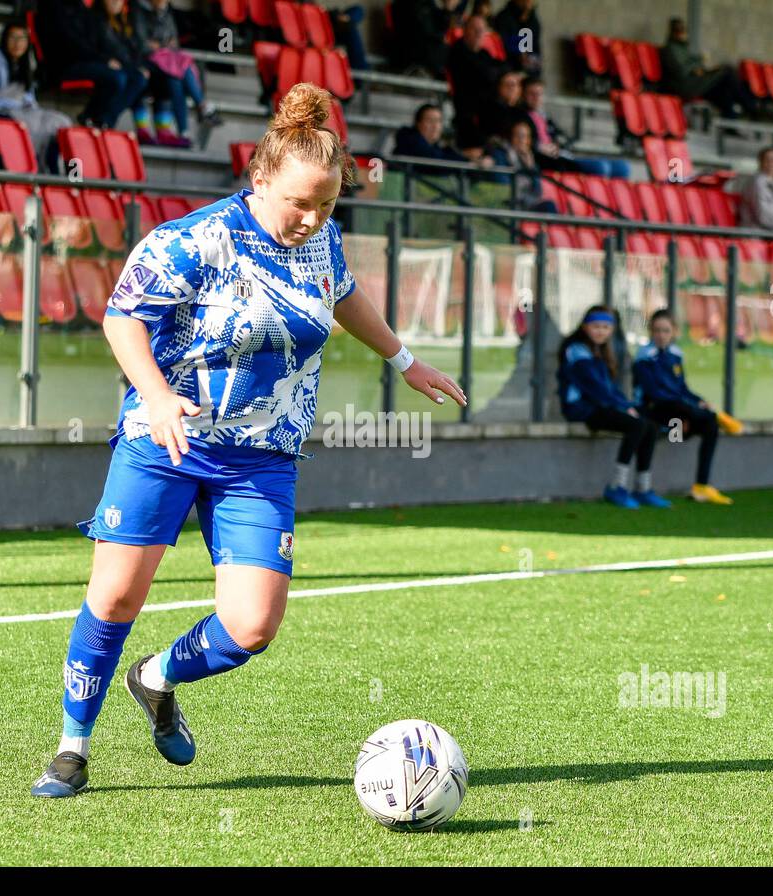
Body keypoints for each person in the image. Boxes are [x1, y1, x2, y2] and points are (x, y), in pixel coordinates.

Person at [29, 83, 467, 798]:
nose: (312, 218)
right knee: (113, 600)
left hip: (261, 456)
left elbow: (344, 291)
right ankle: (72, 749)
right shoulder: (191, 240)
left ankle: (156, 678)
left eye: (326, 205)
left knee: (252, 626)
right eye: (300, 202)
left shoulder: (320, 237)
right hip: (165, 439)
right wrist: (158, 394)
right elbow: (121, 318)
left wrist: (405, 361)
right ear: (259, 178)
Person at [557, 308, 668, 510]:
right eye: (596, 326)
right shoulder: (577, 349)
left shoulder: (600, 351)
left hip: (600, 406)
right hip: (582, 409)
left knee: (650, 426)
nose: (601, 331)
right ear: (585, 327)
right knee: (636, 426)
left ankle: (643, 488)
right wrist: (623, 408)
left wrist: (626, 405)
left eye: (606, 327)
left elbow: (609, 389)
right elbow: (594, 388)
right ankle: (617, 486)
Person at [633, 310, 734, 505]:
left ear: (674, 332)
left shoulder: (675, 355)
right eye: (656, 330)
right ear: (650, 332)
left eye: (665, 330)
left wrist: (699, 400)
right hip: (654, 411)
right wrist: (688, 409)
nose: (660, 335)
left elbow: (683, 389)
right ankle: (712, 416)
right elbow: (654, 393)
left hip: (678, 418)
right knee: (680, 407)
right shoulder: (644, 356)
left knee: (709, 424)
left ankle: (701, 486)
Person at [36, 0, 148, 129]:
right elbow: (70, 43)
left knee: (138, 77)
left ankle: (104, 120)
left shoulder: (82, 8)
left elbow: (101, 43)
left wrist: (132, 66)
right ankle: (91, 117)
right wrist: (104, 60)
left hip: (90, 60)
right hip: (64, 64)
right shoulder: (53, 7)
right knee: (116, 78)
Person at [0, 21, 72, 172]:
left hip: (24, 110)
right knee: (32, 126)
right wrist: (15, 103)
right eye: (13, 38)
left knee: (62, 122)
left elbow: (30, 97)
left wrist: (26, 104)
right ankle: (37, 166)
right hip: (3, 111)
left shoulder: (27, 62)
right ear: (4, 40)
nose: (17, 43)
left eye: (22, 38)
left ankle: (61, 171)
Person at [129, 0, 220, 145]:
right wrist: (162, 44)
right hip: (143, 62)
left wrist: (160, 44)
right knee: (177, 70)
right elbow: (142, 44)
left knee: (175, 77)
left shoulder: (166, 12)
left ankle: (182, 132)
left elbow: (174, 42)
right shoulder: (138, 10)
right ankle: (202, 105)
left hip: (164, 64)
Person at [522, 76, 630, 179]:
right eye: (532, 94)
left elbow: (563, 137)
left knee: (622, 167)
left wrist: (558, 145)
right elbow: (522, 142)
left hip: (561, 156)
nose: (536, 98)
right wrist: (539, 147)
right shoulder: (519, 116)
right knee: (600, 167)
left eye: (539, 94)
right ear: (523, 95)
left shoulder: (543, 116)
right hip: (548, 161)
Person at [659, 16, 755, 119]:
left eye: (683, 29)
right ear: (672, 31)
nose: (682, 32)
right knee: (727, 71)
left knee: (723, 89)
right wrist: (696, 65)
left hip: (695, 82)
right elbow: (682, 70)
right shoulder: (669, 49)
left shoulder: (683, 48)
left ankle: (732, 119)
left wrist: (700, 68)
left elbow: (691, 64)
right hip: (685, 87)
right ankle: (751, 108)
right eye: (678, 29)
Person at [446, 14, 503, 157]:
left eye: (482, 30)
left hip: (488, 109)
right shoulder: (456, 51)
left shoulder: (485, 54)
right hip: (467, 111)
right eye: (474, 29)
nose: (478, 33)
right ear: (464, 30)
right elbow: (477, 77)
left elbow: (500, 70)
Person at [490, 119, 554, 212]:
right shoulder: (501, 155)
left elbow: (538, 191)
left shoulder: (529, 158)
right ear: (511, 137)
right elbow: (502, 183)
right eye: (518, 136)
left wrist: (530, 167)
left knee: (549, 205)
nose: (522, 140)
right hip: (511, 202)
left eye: (525, 137)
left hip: (528, 203)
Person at [393, 103, 477, 163]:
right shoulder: (410, 142)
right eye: (430, 121)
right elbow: (436, 161)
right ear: (418, 123)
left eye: (438, 121)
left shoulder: (436, 148)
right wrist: (468, 161)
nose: (435, 126)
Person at [390, 0, 453, 78]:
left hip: (423, 52)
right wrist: (442, 38)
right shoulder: (411, 4)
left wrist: (448, 9)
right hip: (411, 56)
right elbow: (426, 32)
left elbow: (440, 26)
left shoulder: (428, 3)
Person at [739, 147, 773, 232]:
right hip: (756, 231)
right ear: (761, 162)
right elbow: (763, 217)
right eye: (767, 160)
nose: (771, 163)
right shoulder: (757, 183)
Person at [491, 0, 540, 77]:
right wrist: (519, 53)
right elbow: (501, 42)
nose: (528, 2)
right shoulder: (503, 18)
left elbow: (535, 47)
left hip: (527, 70)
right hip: (506, 68)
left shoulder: (533, 21)